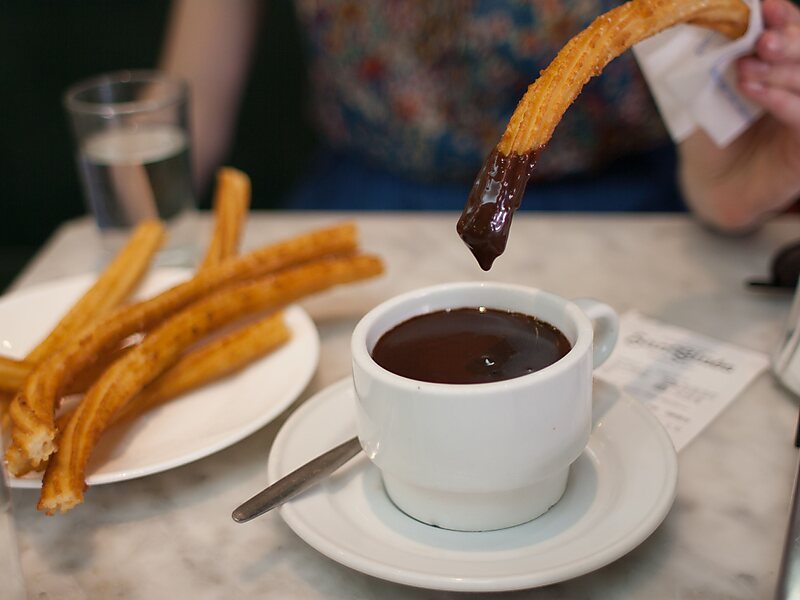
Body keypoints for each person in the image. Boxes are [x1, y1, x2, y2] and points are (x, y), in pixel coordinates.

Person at [159, 0, 800, 232]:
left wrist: (735, 179)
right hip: (367, 209)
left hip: (626, 207)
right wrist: (125, 239)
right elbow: (188, 110)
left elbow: (723, 160)